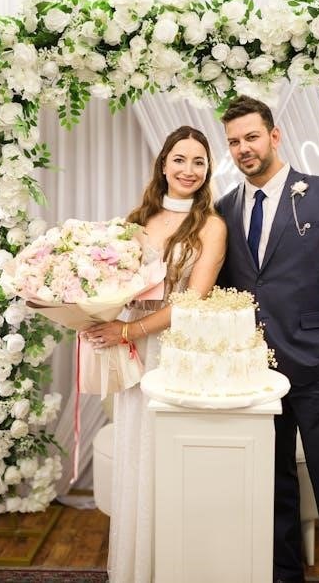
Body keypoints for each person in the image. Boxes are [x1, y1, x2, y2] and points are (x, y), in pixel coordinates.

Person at [216, 96, 319, 583]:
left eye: (251, 137)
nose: (244, 148)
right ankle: (284, 577)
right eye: (234, 142)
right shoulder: (224, 208)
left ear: (274, 136)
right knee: (273, 484)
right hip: (256, 373)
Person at [84, 126, 226, 583]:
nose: (189, 169)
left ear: (208, 170)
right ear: (163, 164)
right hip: (131, 350)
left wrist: (129, 328)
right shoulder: (136, 221)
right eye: (180, 159)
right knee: (137, 454)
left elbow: (192, 301)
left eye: (199, 161)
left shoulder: (211, 226)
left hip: (176, 351)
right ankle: (137, 568)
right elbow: (113, 285)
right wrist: (91, 312)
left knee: (172, 458)